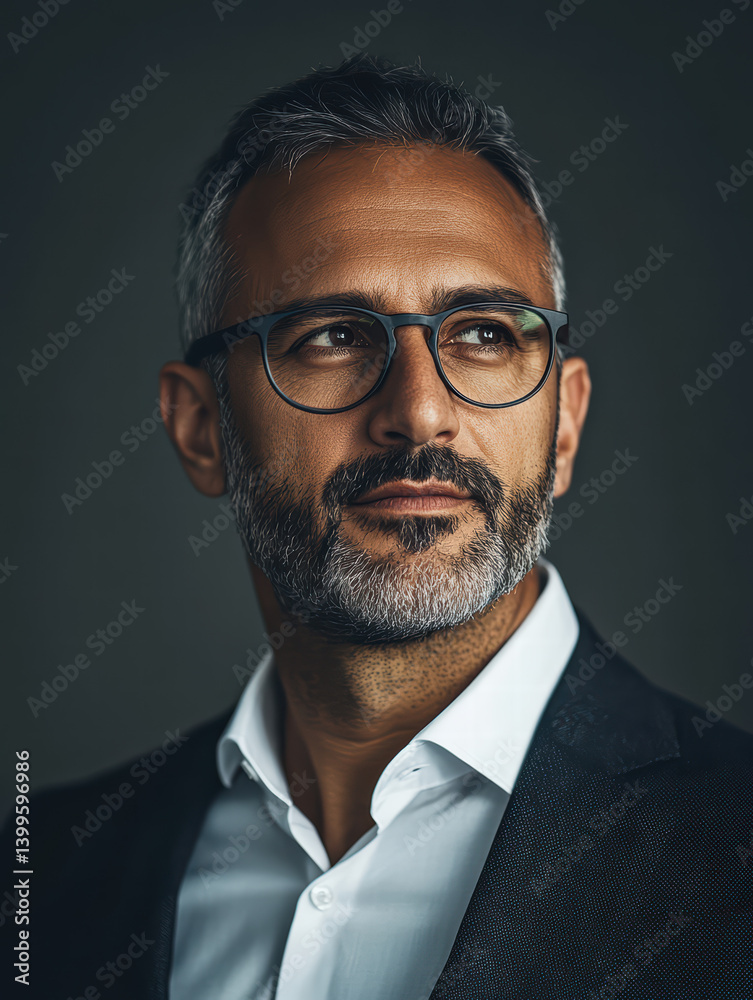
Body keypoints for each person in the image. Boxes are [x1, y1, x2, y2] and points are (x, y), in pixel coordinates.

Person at [5, 54, 752, 999]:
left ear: (561, 424)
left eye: (483, 332)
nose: (420, 412)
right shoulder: (41, 879)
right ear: (202, 430)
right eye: (331, 336)